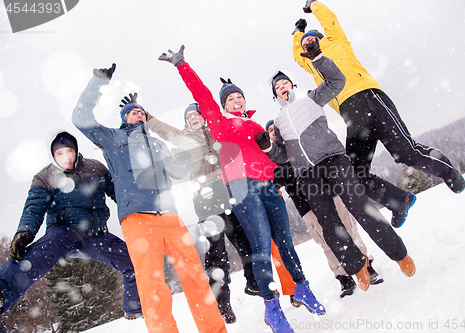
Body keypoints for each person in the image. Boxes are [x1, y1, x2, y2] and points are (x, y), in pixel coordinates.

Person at [159, 45, 324, 333]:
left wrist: (270, 146)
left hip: (269, 186)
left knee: (285, 243)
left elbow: (276, 159)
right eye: (231, 98)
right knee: (260, 247)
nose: (236, 100)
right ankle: (272, 309)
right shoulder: (219, 124)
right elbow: (203, 96)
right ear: (224, 105)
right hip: (241, 187)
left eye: (240, 97)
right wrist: (182, 65)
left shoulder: (256, 124)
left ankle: (302, 288)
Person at [72, 64, 226, 333]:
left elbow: (177, 173)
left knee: (196, 276)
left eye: (142, 111)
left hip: (170, 216)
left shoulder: (159, 144)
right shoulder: (112, 138)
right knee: (152, 284)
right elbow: (80, 117)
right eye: (133, 111)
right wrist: (98, 82)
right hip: (137, 219)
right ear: (123, 118)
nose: (139, 113)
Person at [257, 39, 416, 294]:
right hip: (307, 174)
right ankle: (357, 267)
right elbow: (284, 156)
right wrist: (268, 148)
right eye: (277, 86)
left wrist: (318, 57)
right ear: (274, 95)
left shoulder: (310, 98)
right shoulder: (278, 120)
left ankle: (400, 255)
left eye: (285, 82)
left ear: (293, 85)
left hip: (332, 160)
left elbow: (336, 82)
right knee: (329, 224)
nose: (282, 87)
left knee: (360, 206)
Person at [292, 0, 465, 228]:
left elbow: (330, 21)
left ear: (323, 39)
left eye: (311, 39)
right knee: (355, 175)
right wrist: (297, 33)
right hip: (351, 115)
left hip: (369, 98)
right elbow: (297, 55)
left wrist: (313, 5)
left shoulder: (337, 42)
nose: (308, 43)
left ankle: (448, 173)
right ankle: (399, 201)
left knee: (405, 152)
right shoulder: (312, 65)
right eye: (306, 43)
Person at [146, 99, 266, 323]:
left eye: (196, 115)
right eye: (189, 117)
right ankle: (222, 303)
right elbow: (164, 130)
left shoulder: (216, 132)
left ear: (203, 117)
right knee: (216, 252)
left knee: (245, 241)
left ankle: (253, 282)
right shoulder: (185, 138)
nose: (193, 118)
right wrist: (147, 116)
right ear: (186, 123)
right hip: (205, 197)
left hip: (227, 191)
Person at [0, 131, 142, 319]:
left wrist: (139, 209)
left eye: (69, 151)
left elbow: (119, 193)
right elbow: (33, 208)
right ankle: (3, 292)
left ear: (76, 150)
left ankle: (134, 308)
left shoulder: (96, 168)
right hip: (65, 233)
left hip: (97, 235)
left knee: (135, 260)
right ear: (53, 155)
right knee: (32, 258)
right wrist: (25, 232)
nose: (66, 157)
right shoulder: (44, 178)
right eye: (60, 153)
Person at [266, 120, 384, 298]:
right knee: (325, 241)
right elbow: (275, 180)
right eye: (270, 130)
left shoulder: (297, 144)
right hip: (306, 205)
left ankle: (366, 265)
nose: (273, 132)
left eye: (276, 128)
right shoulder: (273, 160)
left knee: (349, 230)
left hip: (329, 193)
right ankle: (343, 277)